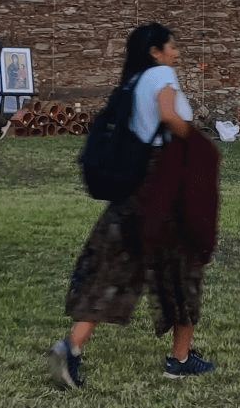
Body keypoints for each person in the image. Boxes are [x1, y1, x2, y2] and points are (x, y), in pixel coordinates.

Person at [51, 23, 218, 388]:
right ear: (156, 52)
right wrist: (198, 142)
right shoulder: (161, 74)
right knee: (184, 267)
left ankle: (72, 346)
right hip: (167, 182)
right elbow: (169, 116)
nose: (177, 51)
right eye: (171, 46)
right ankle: (179, 359)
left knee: (113, 267)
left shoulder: (132, 82)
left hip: (138, 185)